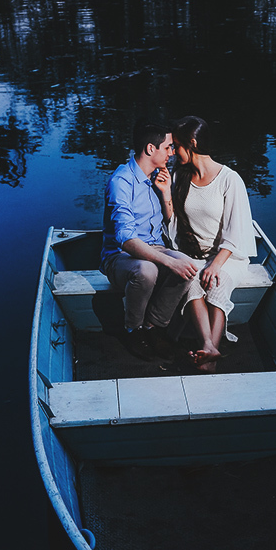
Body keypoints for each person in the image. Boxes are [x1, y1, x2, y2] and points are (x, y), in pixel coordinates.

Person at [101, 119, 198, 360]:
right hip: (120, 257)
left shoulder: (157, 177)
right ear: (150, 149)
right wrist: (169, 262)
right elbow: (125, 239)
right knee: (147, 271)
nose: (172, 152)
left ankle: (154, 327)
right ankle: (133, 330)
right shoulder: (121, 182)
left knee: (188, 265)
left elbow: (169, 224)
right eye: (168, 147)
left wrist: (166, 193)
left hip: (155, 247)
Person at [168, 116, 256, 372]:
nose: (172, 152)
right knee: (192, 282)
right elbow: (173, 223)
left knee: (217, 283)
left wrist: (215, 265)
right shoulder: (179, 176)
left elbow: (236, 231)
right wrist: (164, 195)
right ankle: (209, 347)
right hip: (193, 254)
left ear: (192, 143)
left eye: (176, 146)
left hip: (228, 256)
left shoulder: (229, 179)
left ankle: (209, 355)